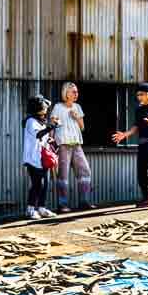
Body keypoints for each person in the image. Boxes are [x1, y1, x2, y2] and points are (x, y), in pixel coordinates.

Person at [49, 82, 94, 212]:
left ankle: (84, 202)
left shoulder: (77, 107)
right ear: (66, 93)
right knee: (63, 175)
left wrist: (76, 117)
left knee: (85, 172)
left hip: (76, 143)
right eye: (73, 92)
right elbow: (52, 124)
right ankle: (62, 205)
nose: (76, 94)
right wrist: (51, 142)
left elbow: (82, 127)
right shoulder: (58, 107)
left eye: (77, 92)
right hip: (63, 144)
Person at [22, 95, 58, 220]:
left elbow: (43, 137)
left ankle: (42, 208)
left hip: (42, 158)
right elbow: (38, 134)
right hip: (33, 158)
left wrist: (51, 140)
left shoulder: (41, 121)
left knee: (45, 184)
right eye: (44, 107)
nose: (46, 109)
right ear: (37, 108)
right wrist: (51, 126)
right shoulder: (30, 121)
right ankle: (30, 209)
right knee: (37, 184)